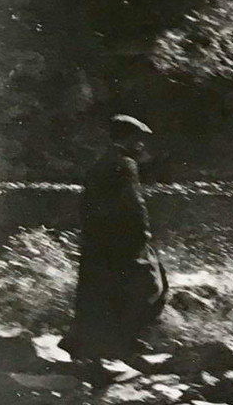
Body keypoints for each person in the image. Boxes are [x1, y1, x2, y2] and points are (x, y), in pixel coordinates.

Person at [61, 114, 169, 359]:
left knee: (100, 292)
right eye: (138, 140)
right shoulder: (125, 164)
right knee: (153, 285)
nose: (141, 145)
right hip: (124, 242)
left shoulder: (101, 163)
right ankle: (125, 341)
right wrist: (143, 234)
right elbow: (134, 204)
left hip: (100, 242)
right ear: (128, 139)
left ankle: (89, 343)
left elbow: (87, 206)